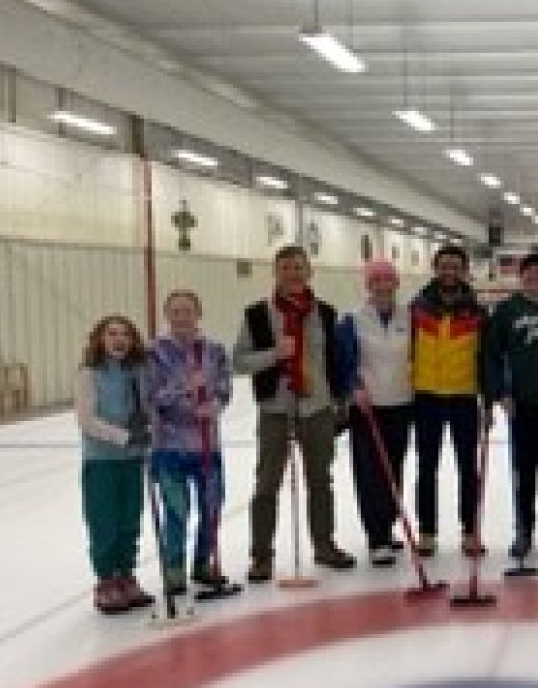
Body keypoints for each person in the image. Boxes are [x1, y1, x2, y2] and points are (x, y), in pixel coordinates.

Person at [233, 245, 355, 583]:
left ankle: (324, 544)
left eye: (299, 267)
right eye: (286, 267)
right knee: (267, 483)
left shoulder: (326, 314)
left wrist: (340, 402)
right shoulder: (257, 314)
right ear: (276, 272)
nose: (293, 273)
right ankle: (261, 555)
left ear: (309, 271)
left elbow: (336, 362)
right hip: (275, 408)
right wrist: (274, 354)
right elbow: (239, 360)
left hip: (316, 408)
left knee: (320, 480)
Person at [483, 251, 538, 558]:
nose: (534, 277)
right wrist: (499, 392)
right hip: (520, 405)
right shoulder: (507, 311)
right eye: (529, 273)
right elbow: (492, 355)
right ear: (521, 277)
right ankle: (523, 529)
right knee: (524, 470)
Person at [148, 290, 233, 594]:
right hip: (170, 446)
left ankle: (202, 563)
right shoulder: (154, 352)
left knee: (212, 506)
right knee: (176, 509)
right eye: (176, 311)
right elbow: (153, 396)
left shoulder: (214, 350)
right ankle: (174, 569)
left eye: (188, 311)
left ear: (198, 313)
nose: (182, 317)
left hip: (208, 445)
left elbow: (224, 387)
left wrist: (213, 407)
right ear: (167, 315)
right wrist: (185, 388)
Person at [410, 244, 489, 557]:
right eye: (444, 266)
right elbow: (407, 348)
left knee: (467, 468)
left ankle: (470, 531)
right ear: (436, 267)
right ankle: (427, 532)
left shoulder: (477, 310)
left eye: (455, 266)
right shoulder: (418, 307)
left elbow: (486, 357)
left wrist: (489, 396)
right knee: (426, 467)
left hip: (464, 397)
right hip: (426, 396)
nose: (449, 271)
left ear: (463, 270)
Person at [74, 314, 154, 614]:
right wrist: (124, 436)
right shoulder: (89, 373)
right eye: (112, 333)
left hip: (132, 460)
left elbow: (148, 406)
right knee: (104, 522)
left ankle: (126, 575)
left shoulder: (137, 372)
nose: (119, 339)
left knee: (129, 521)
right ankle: (106, 580)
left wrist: (148, 425)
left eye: (125, 334)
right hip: (102, 460)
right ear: (100, 338)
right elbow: (87, 420)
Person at [337, 260, 413, 567]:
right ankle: (376, 536)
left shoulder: (409, 316)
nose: (382, 285)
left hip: (401, 402)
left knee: (394, 469)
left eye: (388, 280)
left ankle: (388, 524)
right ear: (368, 285)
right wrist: (353, 387)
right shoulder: (352, 319)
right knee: (370, 473)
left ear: (396, 283)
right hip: (367, 407)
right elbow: (344, 361)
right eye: (376, 280)